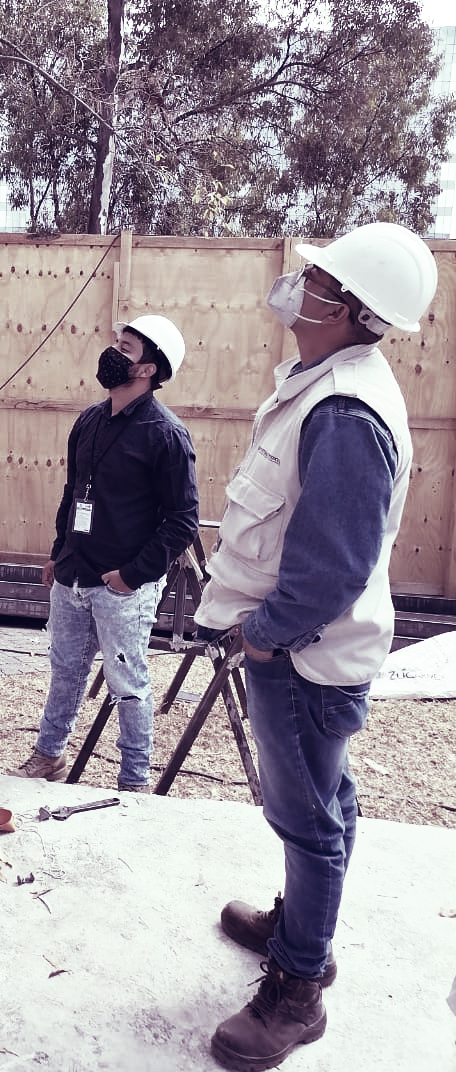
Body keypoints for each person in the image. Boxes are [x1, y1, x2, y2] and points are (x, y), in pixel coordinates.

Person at [194, 223, 438, 1071]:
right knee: (323, 806)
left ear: (352, 310)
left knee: (307, 820)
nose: (301, 284)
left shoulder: (344, 413)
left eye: (320, 280)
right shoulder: (326, 385)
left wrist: (263, 638)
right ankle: (304, 931)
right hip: (308, 653)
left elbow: (331, 566)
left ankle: (298, 992)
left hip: (302, 658)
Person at [15, 315, 199, 791]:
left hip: (122, 587)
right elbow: (72, 493)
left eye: (127, 347)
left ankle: (135, 781)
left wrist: (133, 576)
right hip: (74, 574)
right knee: (65, 672)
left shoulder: (167, 435)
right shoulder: (89, 421)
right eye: (117, 342)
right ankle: (49, 755)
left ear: (147, 370)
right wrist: (59, 553)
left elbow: (183, 519)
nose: (114, 351)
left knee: (129, 686)